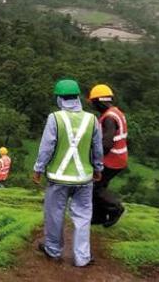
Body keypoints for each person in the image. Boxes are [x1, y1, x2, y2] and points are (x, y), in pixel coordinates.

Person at [33, 79, 103, 268]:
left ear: (59, 98)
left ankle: (53, 250)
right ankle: (82, 257)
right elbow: (97, 148)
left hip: (58, 178)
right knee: (82, 217)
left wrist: (38, 169)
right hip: (84, 179)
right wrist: (98, 168)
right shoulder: (92, 119)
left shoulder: (55, 118)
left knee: (54, 214)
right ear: (77, 97)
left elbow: (47, 147)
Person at [89, 84, 128, 228]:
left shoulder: (109, 118)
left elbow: (106, 144)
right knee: (100, 185)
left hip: (112, 159)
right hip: (119, 157)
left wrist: (95, 159)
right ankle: (98, 217)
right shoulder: (116, 112)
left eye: (93, 102)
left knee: (94, 187)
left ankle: (115, 208)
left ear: (99, 101)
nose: (93, 106)